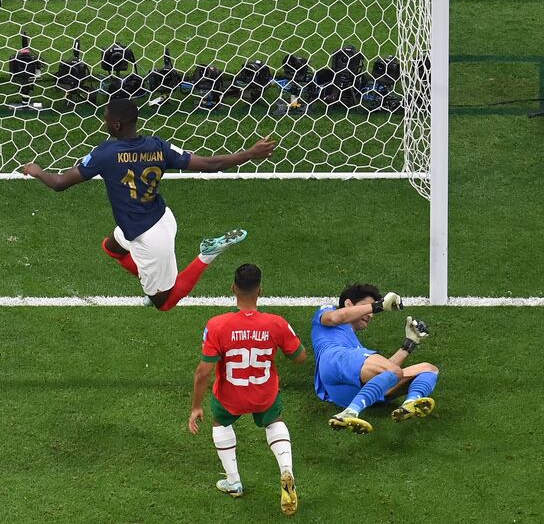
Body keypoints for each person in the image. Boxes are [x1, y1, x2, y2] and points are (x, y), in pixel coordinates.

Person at [23, 98, 276, 311]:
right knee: (111, 247)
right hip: (157, 217)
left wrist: (37, 171)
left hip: (149, 237)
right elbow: (211, 164)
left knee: (164, 303)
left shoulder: (106, 153)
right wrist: (250, 153)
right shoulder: (158, 146)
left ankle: (207, 254)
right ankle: (152, 281)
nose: (104, 123)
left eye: (106, 120)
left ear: (117, 124)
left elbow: (59, 183)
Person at [188, 264, 306, 516]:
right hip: (265, 394)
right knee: (274, 421)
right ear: (260, 290)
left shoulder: (217, 325)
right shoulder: (276, 323)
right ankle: (286, 470)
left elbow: (203, 373)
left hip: (230, 396)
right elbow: (300, 357)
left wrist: (196, 406)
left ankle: (234, 482)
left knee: (220, 423)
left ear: (233, 288)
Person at [311, 283, 439, 434]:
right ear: (348, 304)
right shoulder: (329, 311)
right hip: (333, 360)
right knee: (394, 371)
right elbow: (335, 318)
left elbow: (387, 373)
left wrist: (409, 344)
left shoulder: (355, 347)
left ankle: (410, 404)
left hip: (345, 392)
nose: (371, 314)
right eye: (366, 307)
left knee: (429, 369)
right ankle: (350, 412)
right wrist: (378, 306)